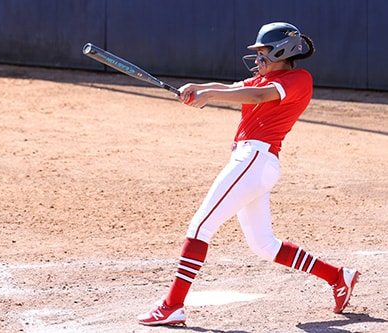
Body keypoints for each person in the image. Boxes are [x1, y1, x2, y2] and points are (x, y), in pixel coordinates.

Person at [137, 22, 360, 326]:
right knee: (264, 245)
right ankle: (338, 276)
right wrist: (198, 89)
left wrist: (208, 96)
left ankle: (173, 304)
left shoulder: (297, 78)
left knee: (200, 225)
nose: (257, 60)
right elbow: (233, 89)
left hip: (255, 158)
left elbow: (256, 97)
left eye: (263, 54)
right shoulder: (262, 79)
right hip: (254, 163)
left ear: (283, 51)